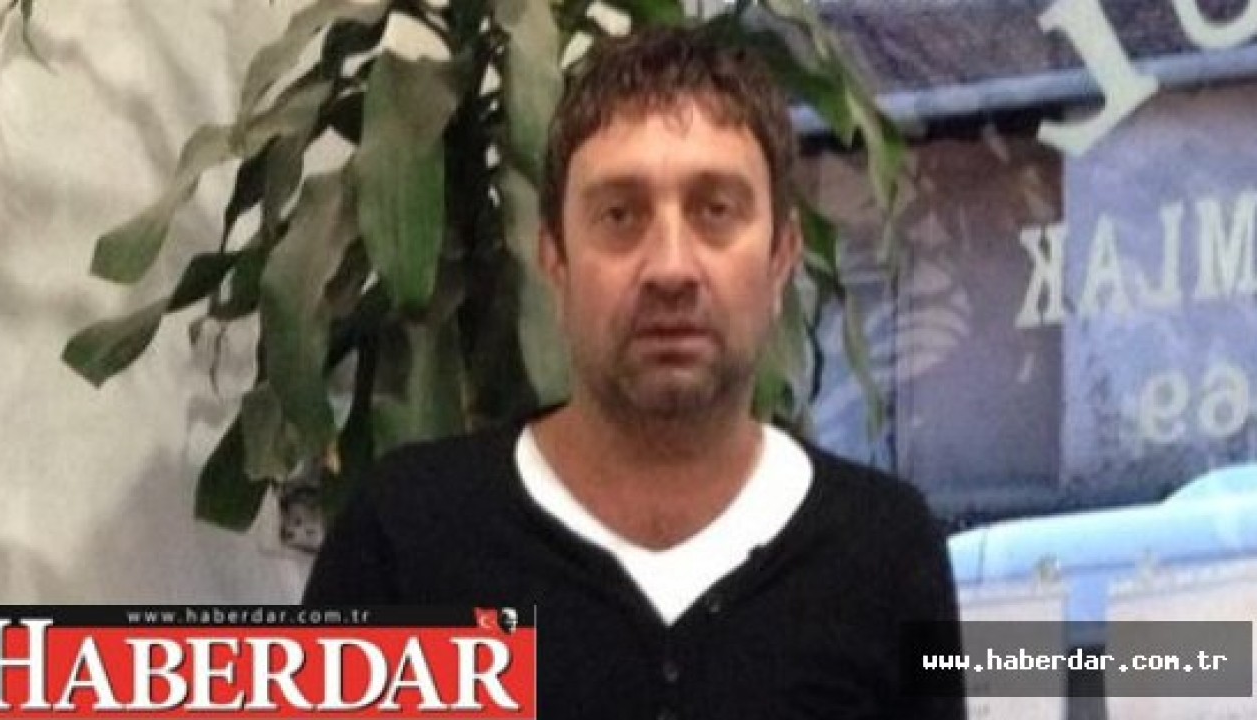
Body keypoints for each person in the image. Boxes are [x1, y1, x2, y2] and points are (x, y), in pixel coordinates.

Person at [305, 24, 963, 719]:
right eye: (619, 215)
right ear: (554, 260)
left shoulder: (890, 551)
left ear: (782, 257)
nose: (671, 268)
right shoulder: (401, 537)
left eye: (716, 211)